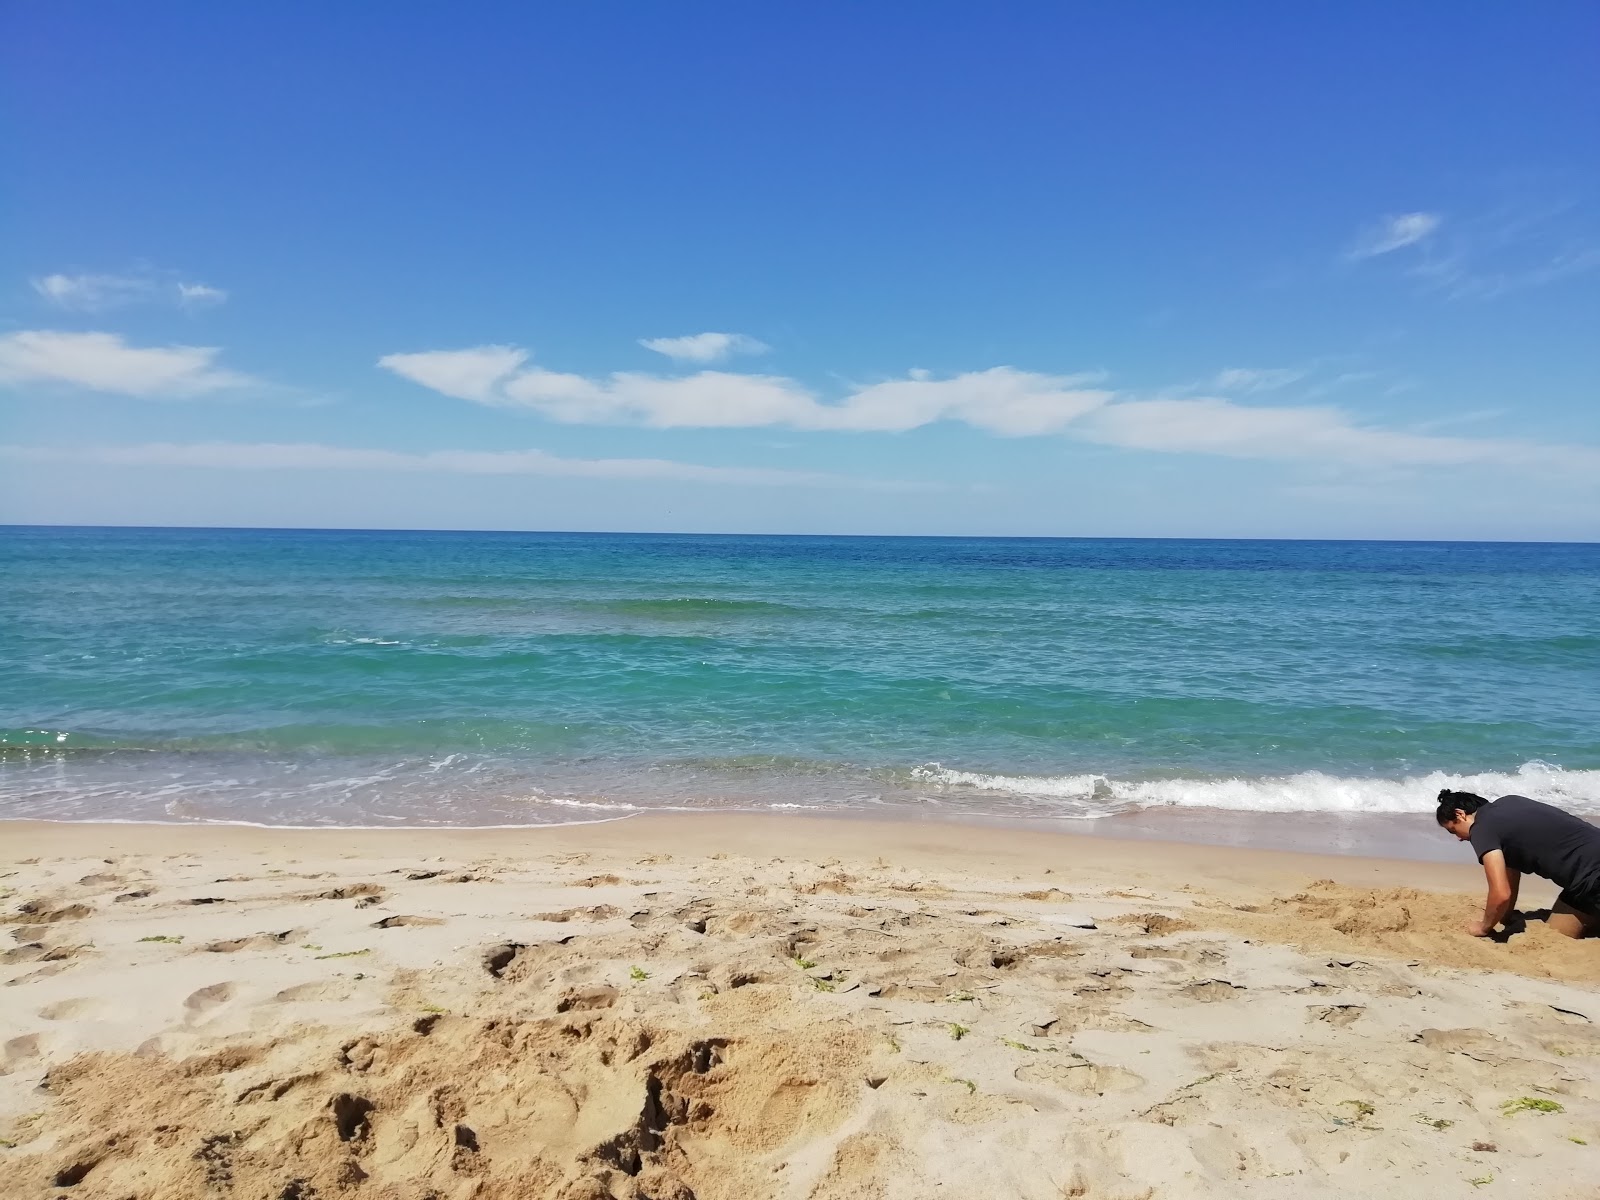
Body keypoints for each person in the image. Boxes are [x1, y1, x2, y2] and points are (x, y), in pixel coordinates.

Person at [1436, 789, 1600, 940]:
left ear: (1460, 815)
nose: (1458, 838)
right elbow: (1510, 875)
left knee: (1556, 935)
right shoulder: (1510, 802)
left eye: (1453, 830)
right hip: (1588, 872)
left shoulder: (1481, 829)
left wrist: (1484, 927)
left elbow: (1501, 894)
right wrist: (1505, 916)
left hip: (1592, 879)